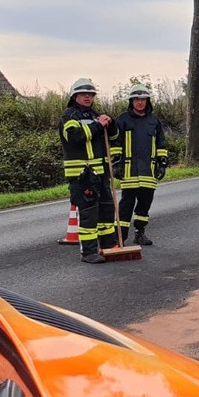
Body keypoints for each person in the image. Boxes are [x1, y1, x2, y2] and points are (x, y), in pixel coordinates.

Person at [59, 77, 119, 264]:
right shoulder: (69, 116)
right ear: (75, 96)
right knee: (88, 213)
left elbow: (114, 136)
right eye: (84, 94)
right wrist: (98, 125)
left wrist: (111, 122)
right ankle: (89, 252)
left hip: (100, 173)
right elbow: (74, 137)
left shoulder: (96, 115)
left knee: (107, 210)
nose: (88, 97)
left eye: (91, 94)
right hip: (80, 175)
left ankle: (108, 245)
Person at [112, 82, 168, 246]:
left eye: (143, 99)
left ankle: (140, 233)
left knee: (145, 204)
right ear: (131, 101)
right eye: (136, 99)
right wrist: (116, 164)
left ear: (147, 101)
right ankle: (120, 237)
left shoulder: (154, 121)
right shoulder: (122, 120)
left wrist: (162, 163)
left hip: (148, 171)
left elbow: (161, 144)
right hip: (129, 171)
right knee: (126, 205)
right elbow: (115, 144)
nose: (140, 102)